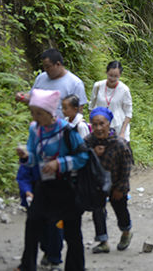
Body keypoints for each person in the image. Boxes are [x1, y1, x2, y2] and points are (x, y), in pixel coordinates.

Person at [16, 89, 89, 271]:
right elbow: (34, 158)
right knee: (32, 225)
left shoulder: (66, 130)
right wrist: (26, 156)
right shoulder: (35, 129)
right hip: (44, 186)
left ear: (50, 113)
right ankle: (27, 266)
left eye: (38, 113)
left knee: (72, 234)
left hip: (66, 187)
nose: (35, 116)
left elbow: (83, 157)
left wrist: (60, 163)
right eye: (32, 112)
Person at [86, 107, 134, 254]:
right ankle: (103, 241)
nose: (99, 128)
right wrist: (93, 152)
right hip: (97, 184)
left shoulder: (120, 144)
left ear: (109, 123)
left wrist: (121, 188)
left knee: (120, 209)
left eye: (102, 123)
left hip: (116, 184)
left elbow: (126, 169)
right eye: (95, 124)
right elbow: (79, 156)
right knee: (98, 211)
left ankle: (126, 232)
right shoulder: (89, 141)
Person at [16, 162, 64, 270]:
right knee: (36, 227)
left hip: (57, 191)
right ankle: (45, 252)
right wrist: (27, 191)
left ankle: (54, 258)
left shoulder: (60, 152)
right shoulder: (31, 153)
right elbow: (23, 176)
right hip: (35, 193)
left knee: (55, 226)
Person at [15, 48, 87, 117]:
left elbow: (79, 111)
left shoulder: (75, 83)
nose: (46, 70)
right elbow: (32, 97)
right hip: (41, 126)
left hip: (63, 128)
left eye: (48, 67)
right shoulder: (41, 78)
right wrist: (22, 96)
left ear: (58, 64)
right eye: (44, 67)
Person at [90, 61, 133, 142]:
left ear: (120, 75)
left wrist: (123, 132)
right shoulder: (98, 86)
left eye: (116, 76)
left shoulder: (124, 90)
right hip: (100, 126)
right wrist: (93, 125)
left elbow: (128, 113)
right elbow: (91, 106)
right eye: (110, 75)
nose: (112, 79)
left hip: (117, 126)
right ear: (106, 72)